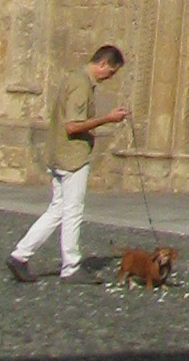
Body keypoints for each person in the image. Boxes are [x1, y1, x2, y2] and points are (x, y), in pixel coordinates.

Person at [8, 44, 127, 283]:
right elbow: (72, 126)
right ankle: (71, 267)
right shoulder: (81, 84)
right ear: (103, 64)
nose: (109, 77)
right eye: (111, 72)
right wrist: (107, 118)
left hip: (60, 154)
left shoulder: (74, 79)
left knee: (57, 209)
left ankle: (20, 255)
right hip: (72, 158)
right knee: (72, 211)